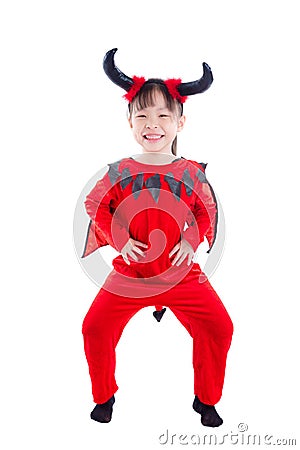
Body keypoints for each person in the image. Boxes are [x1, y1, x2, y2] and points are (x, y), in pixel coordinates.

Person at [81, 48, 233, 427]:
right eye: (143, 115)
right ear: (130, 122)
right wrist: (119, 239)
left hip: (180, 273)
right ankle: (104, 395)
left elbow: (205, 209)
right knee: (94, 328)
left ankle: (206, 399)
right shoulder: (118, 172)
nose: (153, 123)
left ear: (179, 123)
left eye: (163, 115)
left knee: (219, 326)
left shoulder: (191, 172)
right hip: (131, 275)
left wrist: (191, 238)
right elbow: (94, 203)